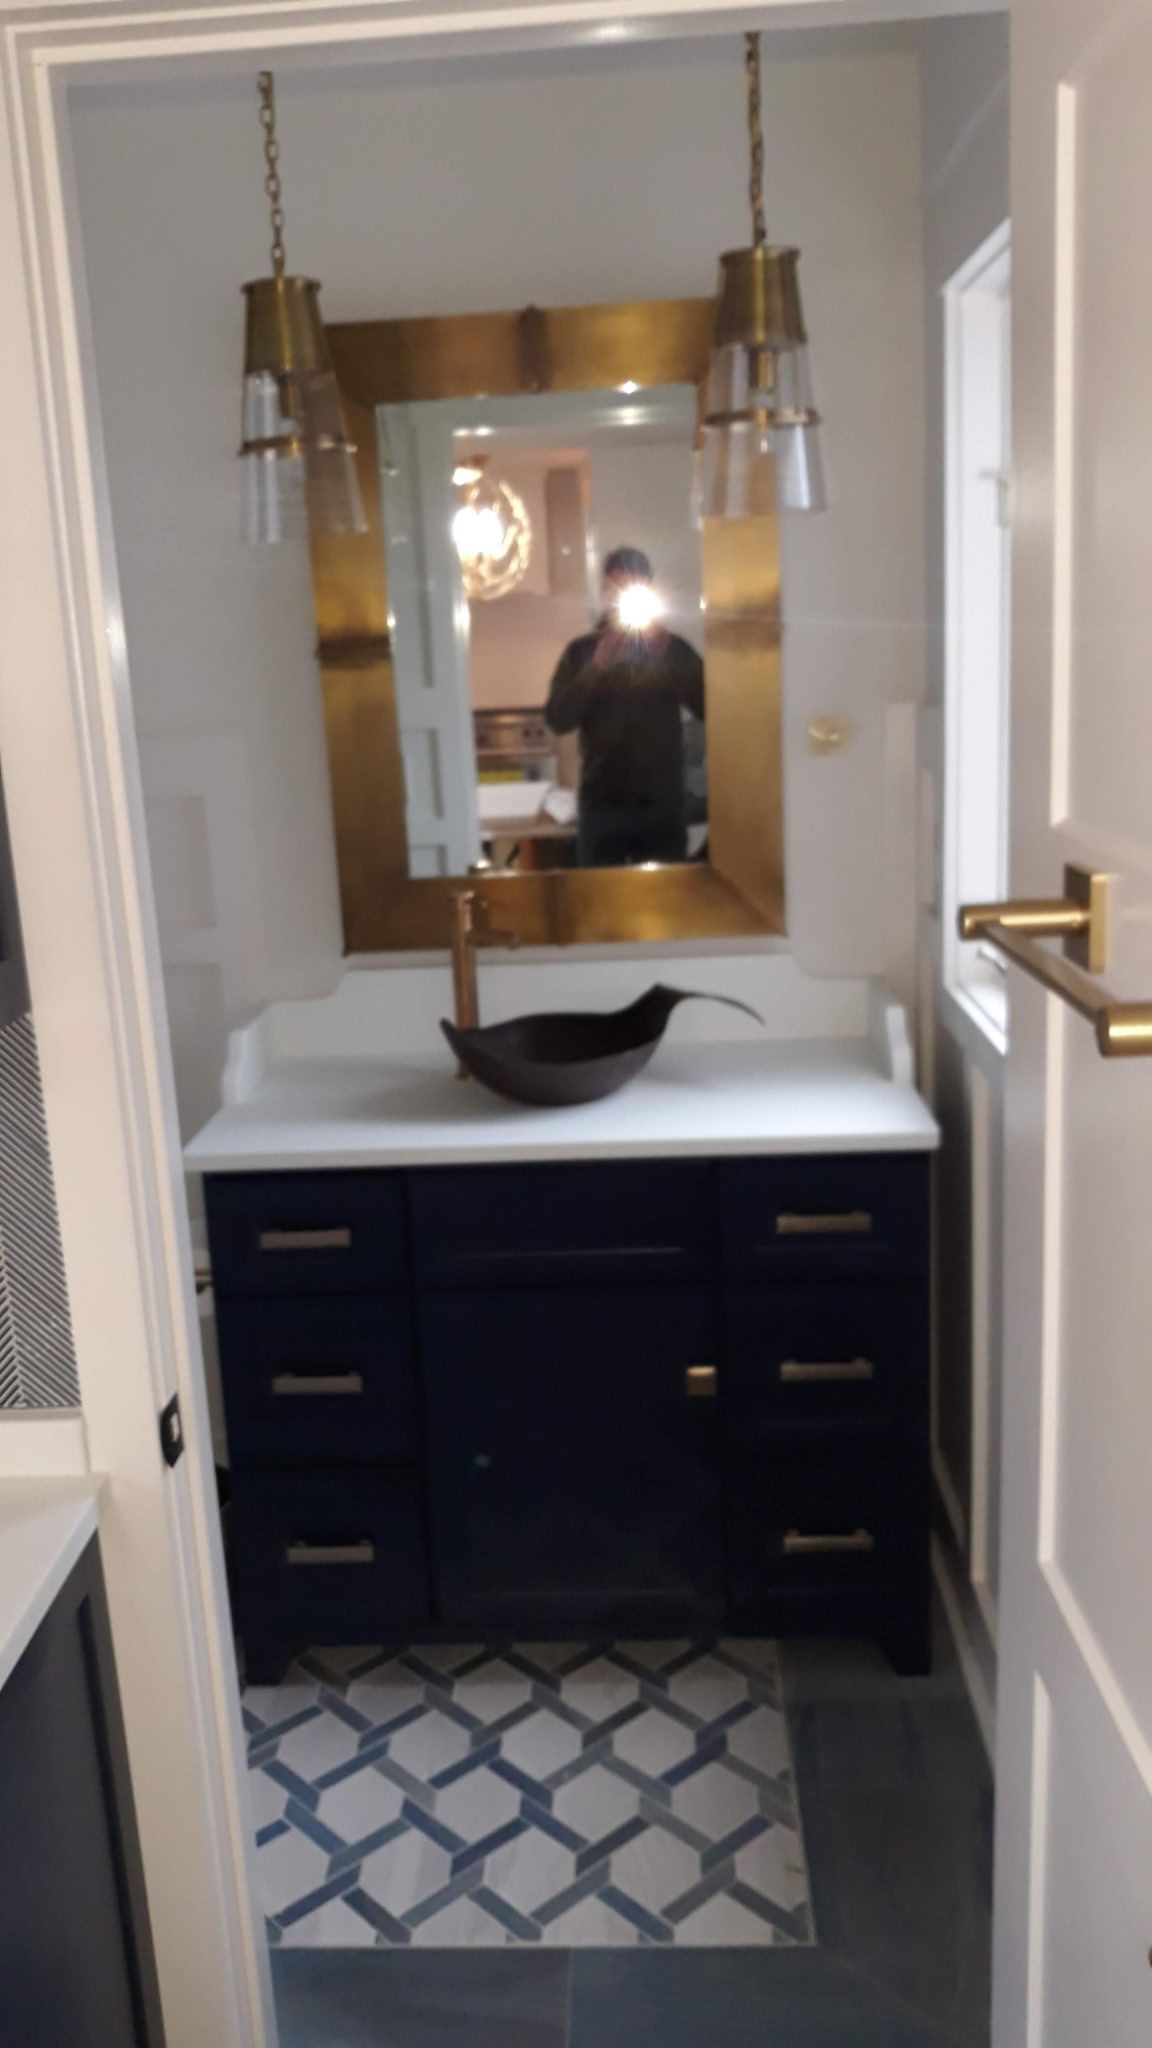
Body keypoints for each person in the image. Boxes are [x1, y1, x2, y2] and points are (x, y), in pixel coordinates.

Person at [545, 547, 705, 867]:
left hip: (662, 808)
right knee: (600, 907)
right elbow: (557, 719)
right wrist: (597, 668)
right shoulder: (582, 652)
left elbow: (710, 707)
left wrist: (669, 656)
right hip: (602, 808)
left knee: (666, 907)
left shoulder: (672, 648)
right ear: (605, 593)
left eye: (632, 590)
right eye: (615, 589)